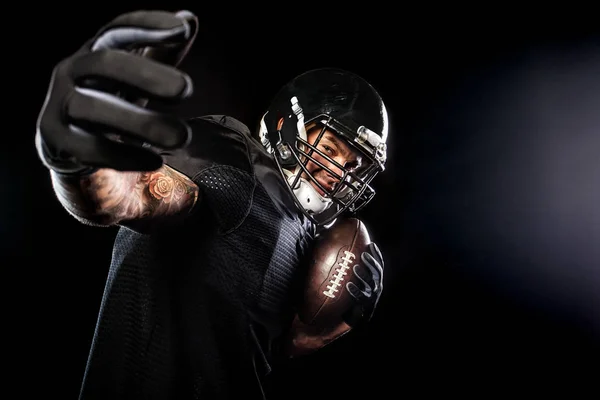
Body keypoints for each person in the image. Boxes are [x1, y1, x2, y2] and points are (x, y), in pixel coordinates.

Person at [35, 10, 389, 400]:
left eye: (354, 165)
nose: (340, 172)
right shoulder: (237, 167)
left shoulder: (305, 235)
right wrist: (81, 164)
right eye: (329, 150)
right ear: (289, 125)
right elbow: (126, 196)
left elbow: (267, 342)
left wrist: (331, 323)